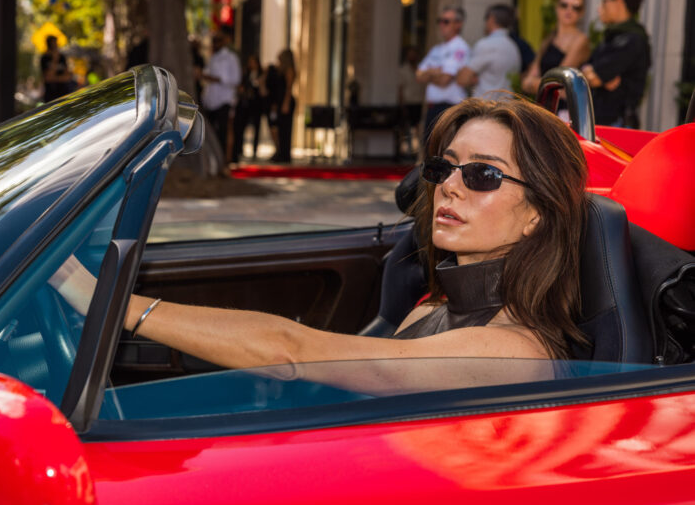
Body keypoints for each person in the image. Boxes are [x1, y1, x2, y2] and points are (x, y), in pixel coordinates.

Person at [51, 97, 589, 389]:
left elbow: (294, 351)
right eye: (443, 167)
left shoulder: (513, 349)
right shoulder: (443, 302)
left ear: (536, 216)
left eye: (484, 175)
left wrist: (109, 300)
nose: (449, 184)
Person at [581, 0, 650, 128]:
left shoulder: (632, 39)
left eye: (604, 0)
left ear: (619, 2)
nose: (599, 7)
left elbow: (595, 78)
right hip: (601, 120)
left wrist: (596, 76)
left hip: (617, 124)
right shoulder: (613, 36)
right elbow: (586, 70)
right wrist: (594, 74)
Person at [416, 7, 470, 147]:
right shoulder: (436, 49)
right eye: (439, 21)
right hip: (433, 107)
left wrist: (430, 72)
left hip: (449, 108)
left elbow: (445, 80)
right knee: (429, 148)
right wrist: (436, 72)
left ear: (458, 24)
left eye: (446, 21)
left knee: (443, 149)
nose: (441, 25)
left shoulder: (460, 47)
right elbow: (418, 76)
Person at [522, 0, 591, 95]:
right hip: (544, 104)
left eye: (576, 7)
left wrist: (534, 83)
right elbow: (527, 82)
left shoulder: (581, 40)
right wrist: (535, 83)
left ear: (581, 12)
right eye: (564, 5)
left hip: (564, 108)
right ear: (557, 7)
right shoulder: (549, 39)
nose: (569, 10)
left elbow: (558, 81)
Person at [457, 4, 521, 98]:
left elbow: (462, 79)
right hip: (507, 107)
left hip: (485, 107)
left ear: (491, 18)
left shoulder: (486, 45)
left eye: (486, 18)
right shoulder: (514, 47)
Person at [201, 28, 241, 161]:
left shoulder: (231, 58)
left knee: (224, 131)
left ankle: (225, 160)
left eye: (218, 41)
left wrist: (217, 79)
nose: (215, 44)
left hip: (225, 99)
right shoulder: (212, 58)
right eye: (214, 41)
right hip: (211, 100)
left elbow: (235, 80)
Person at [234, 54, 264, 161]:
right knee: (242, 127)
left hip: (257, 105)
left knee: (256, 127)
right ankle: (240, 149)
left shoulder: (262, 74)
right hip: (246, 104)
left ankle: (254, 150)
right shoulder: (246, 74)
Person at [398, 46, 425, 159]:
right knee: (408, 128)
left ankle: (418, 151)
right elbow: (400, 88)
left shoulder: (421, 69)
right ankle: (408, 151)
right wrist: (402, 103)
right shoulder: (403, 70)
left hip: (419, 101)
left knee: (419, 128)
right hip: (409, 102)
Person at [271, 49, 296, 163]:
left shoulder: (289, 70)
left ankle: (285, 155)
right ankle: (280, 152)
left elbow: (289, 88)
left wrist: (286, 103)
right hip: (280, 100)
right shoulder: (280, 69)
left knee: (286, 129)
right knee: (280, 128)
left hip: (286, 101)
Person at [40, 35, 73, 103]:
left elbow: (67, 77)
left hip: (64, 94)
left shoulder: (62, 57)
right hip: (51, 96)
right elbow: (47, 78)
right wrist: (54, 59)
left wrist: (54, 78)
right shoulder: (44, 58)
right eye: (53, 44)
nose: (56, 46)